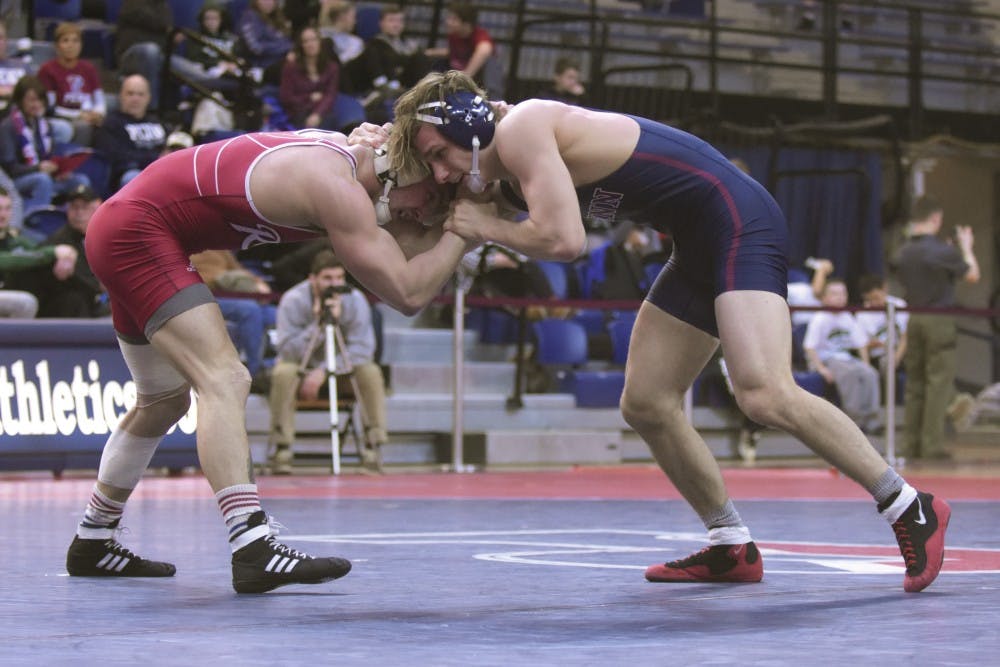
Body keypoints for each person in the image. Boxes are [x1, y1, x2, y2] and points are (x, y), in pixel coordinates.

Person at [385, 70, 951, 592]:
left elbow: (565, 241)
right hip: (699, 240)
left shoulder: (523, 127)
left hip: (738, 218)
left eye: (440, 153)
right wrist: (376, 157)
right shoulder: (494, 173)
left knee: (762, 390)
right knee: (648, 403)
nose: (441, 173)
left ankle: (907, 504)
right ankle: (729, 541)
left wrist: (485, 227)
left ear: (467, 122)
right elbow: (420, 227)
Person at [64, 127, 474, 594]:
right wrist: (474, 227)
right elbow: (408, 291)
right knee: (225, 378)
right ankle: (253, 545)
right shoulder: (336, 186)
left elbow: (409, 246)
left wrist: (463, 223)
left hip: (131, 227)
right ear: (400, 167)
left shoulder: (354, 163)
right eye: (431, 193)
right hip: (138, 231)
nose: (425, 209)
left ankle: (93, 538)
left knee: (162, 402)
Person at [269, 250, 387, 474]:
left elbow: (363, 349)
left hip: (340, 373)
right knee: (283, 372)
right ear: (312, 278)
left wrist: (323, 371)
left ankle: (373, 447)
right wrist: (319, 325)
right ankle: (281, 449)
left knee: (369, 372)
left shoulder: (355, 299)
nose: (334, 284)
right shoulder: (293, 300)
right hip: (301, 371)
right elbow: (287, 351)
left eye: (339, 278)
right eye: (327, 279)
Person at [892, 196, 979, 461]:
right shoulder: (943, 251)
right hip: (939, 317)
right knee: (938, 382)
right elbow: (972, 275)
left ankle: (910, 444)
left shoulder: (902, 251)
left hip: (913, 317)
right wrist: (966, 247)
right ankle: (932, 446)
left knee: (915, 383)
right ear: (936, 218)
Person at [802, 278, 882, 434]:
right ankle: (854, 420)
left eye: (842, 293)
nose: (839, 297)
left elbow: (861, 344)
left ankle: (872, 420)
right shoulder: (819, 318)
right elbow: (809, 347)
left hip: (845, 358)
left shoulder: (847, 317)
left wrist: (866, 364)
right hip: (826, 359)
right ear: (824, 298)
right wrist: (822, 369)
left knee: (870, 373)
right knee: (849, 374)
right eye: (834, 294)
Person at [0, 75, 90, 212]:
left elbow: (50, 154)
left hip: (45, 175)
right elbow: (10, 169)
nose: (37, 104)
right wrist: (38, 168)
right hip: (17, 181)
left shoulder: (42, 123)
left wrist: (59, 170)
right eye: (31, 100)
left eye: (40, 99)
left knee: (80, 180)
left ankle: (75, 222)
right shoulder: (8, 127)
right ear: (20, 101)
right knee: (42, 180)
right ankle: (38, 218)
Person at [0, 185, 77, 317]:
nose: (3, 214)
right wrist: (53, 252)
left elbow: (37, 252)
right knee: (25, 303)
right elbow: (6, 260)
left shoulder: (15, 240)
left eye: (7, 209)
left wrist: (68, 254)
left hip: (8, 291)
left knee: (67, 293)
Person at [31, 183, 106, 318]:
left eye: (85, 207)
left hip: (98, 300)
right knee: (74, 300)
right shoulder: (59, 242)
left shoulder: (107, 235)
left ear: (98, 206)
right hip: (64, 309)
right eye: (74, 207)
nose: (79, 213)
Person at [280, 26, 363, 132]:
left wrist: (317, 114)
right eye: (306, 41)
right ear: (300, 45)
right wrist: (309, 98)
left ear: (320, 42)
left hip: (323, 111)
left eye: (314, 39)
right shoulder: (291, 67)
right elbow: (286, 97)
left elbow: (330, 94)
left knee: (338, 123)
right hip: (298, 112)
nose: (310, 44)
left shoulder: (331, 67)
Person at [36, 21, 106, 147]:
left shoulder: (89, 68)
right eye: (65, 40)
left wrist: (98, 113)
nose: (71, 45)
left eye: (75, 41)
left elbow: (99, 100)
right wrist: (78, 115)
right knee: (83, 127)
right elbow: (50, 107)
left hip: (89, 115)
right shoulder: (47, 70)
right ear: (57, 46)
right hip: (64, 117)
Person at [93, 75, 167, 189]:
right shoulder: (111, 123)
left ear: (148, 98)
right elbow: (118, 156)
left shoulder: (157, 121)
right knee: (134, 178)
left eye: (140, 94)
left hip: (161, 169)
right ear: (121, 96)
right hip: (131, 174)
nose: (135, 98)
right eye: (130, 93)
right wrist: (156, 157)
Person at [359, 5, 431, 122]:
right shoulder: (374, 45)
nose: (396, 24)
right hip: (383, 85)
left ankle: (424, 91)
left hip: (407, 84)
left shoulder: (409, 45)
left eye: (399, 21)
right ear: (381, 23)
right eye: (391, 20)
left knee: (420, 57)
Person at [425, 2, 503, 100]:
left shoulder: (479, 34)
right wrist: (430, 52)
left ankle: (493, 103)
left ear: (466, 24)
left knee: (490, 62)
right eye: (449, 18)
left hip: (478, 81)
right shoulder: (454, 36)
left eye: (454, 19)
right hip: (458, 75)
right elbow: (454, 53)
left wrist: (465, 76)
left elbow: (485, 49)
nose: (448, 22)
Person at [856, 273, 908, 383]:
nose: (874, 303)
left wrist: (896, 358)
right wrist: (867, 367)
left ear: (884, 289)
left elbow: (905, 337)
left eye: (876, 298)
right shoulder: (862, 314)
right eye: (870, 300)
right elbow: (862, 345)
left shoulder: (899, 305)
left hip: (899, 353)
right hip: (878, 355)